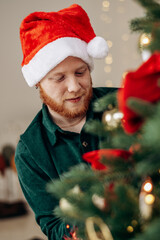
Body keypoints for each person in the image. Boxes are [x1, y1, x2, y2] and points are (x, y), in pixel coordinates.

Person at [15, 4, 117, 240]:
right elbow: (52, 227)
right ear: (39, 83)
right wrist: (89, 215)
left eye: (80, 72)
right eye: (59, 77)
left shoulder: (123, 103)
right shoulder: (29, 152)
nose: (74, 87)